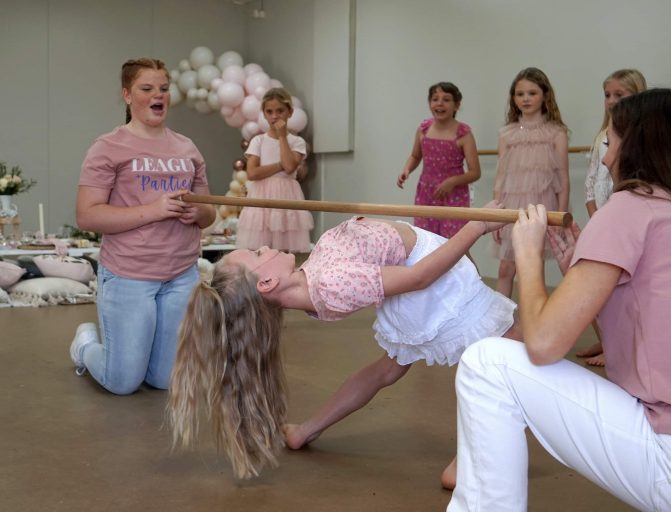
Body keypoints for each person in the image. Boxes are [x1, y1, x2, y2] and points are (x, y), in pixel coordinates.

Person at [448, 89, 671, 512]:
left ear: (634, 145)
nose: (604, 157)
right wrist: (578, 275)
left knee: (486, 361)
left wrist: (528, 255)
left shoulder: (632, 205)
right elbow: (640, 336)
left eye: (610, 142)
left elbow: (542, 344)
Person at [168, 204, 521, 479]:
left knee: (388, 369)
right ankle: (467, 463)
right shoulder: (331, 284)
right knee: (515, 340)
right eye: (258, 256)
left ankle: (305, 430)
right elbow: (419, 278)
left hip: (411, 278)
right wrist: (476, 226)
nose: (263, 246)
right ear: (266, 285)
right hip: (430, 279)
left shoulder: (308, 281)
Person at [69, 58, 216, 395]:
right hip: (128, 275)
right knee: (122, 383)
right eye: (146, 88)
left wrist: (199, 214)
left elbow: (210, 213)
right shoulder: (108, 147)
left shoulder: (187, 148)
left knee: (164, 381)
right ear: (127, 95)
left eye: (163, 89)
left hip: (181, 275)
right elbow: (87, 216)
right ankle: (84, 344)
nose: (158, 95)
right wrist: (155, 209)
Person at [579, 68, 647, 367]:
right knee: (595, 288)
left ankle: (620, 347)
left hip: (626, 224)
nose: (612, 100)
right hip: (603, 222)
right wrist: (595, 217)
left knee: (621, 291)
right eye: (608, 95)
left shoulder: (641, 138)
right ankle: (607, 338)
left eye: (620, 95)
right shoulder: (601, 137)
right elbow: (592, 182)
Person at [491, 67, 569, 298]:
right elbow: (500, 178)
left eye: (532, 93)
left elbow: (563, 179)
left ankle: (531, 325)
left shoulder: (556, 133)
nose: (525, 99)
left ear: (545, 95)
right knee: (505, 269)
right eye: (520, 94)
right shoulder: (507, 134)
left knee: (533, 272)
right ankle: (500, 325)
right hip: (511, 209)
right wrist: (494, 215)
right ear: (513, 99)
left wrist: (559, 217)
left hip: (540, 210)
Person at [397, 82, 481, 238]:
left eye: (446, 99)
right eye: (435, 99)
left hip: (454, 195)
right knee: (426, 240)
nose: (440, 103)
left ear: (456, 105)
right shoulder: (423, 129)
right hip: (427, 193)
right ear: (429, 103)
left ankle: (467, 264)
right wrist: (407, 169)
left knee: (456, 244)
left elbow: (475, 172)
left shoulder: (464, 133)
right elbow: (415, 156)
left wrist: (452, 182)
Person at [236, 88, 313, 252]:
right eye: (269, 111)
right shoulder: (258, 140)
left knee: (286, 248)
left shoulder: (297, 142)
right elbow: (253, 173)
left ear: (290, 112)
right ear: (264, 114)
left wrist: (283, 136)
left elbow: (291, 166)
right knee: (259, 248)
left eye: (280, 111)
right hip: (261, 196)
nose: (274, 116)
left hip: (287, 196)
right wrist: (280, 166)